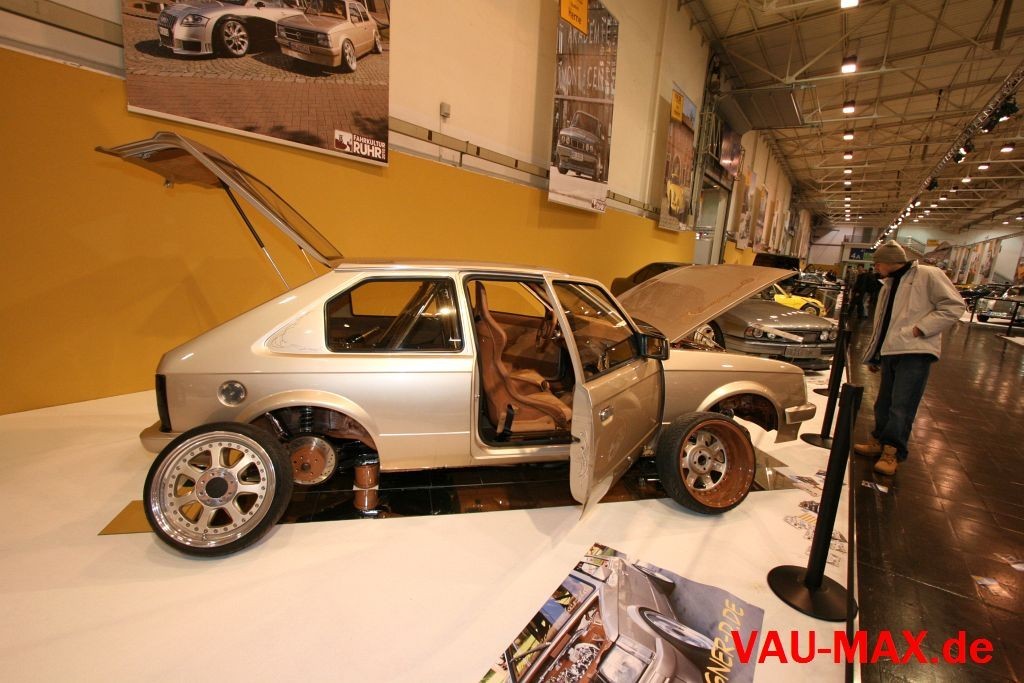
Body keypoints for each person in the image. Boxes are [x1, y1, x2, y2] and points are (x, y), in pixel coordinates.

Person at [854, 241, 965, 475]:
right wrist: (875, 355)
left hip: (915, 352)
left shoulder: (928, 274)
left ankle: (892, 451)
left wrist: (920, 328)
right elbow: (884, 322)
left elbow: (954, 306)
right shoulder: (889, 283)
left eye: (878, 262)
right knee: (883, 403)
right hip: (891, 350)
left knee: (902, 405)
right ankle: (879, 441)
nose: (876, 267)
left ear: (889, 261)